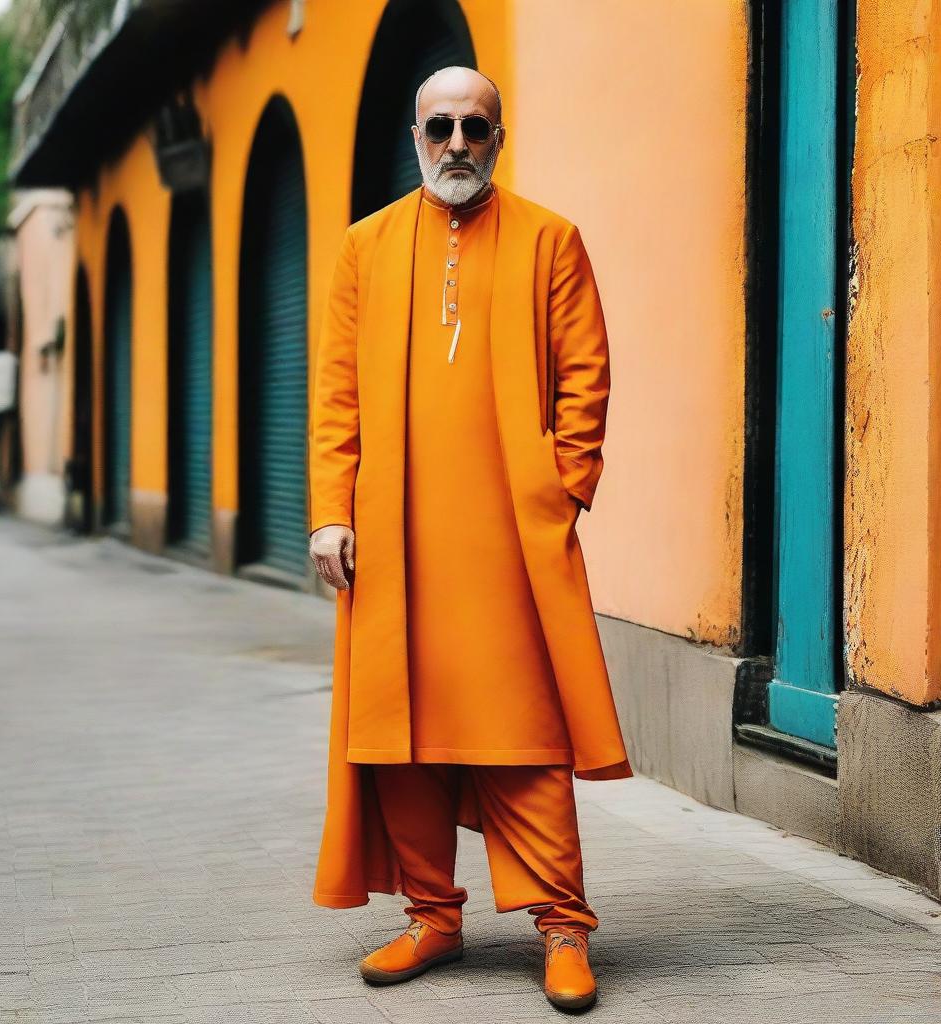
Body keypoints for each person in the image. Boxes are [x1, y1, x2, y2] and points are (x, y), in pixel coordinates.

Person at [307, 65, 631, 1013]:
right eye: (439, 127)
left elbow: (587, 380)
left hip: (507, 545)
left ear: (498, 137)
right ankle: (432, 919)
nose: (457, 144)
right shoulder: (364, 250)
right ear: (415, 137)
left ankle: (563, 928)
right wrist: (334, 508)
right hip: (395, 542)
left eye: (475, 129)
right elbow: (334, 395)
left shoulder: (550, 241)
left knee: (523, 732)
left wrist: (559, 490)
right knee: (401, 737)